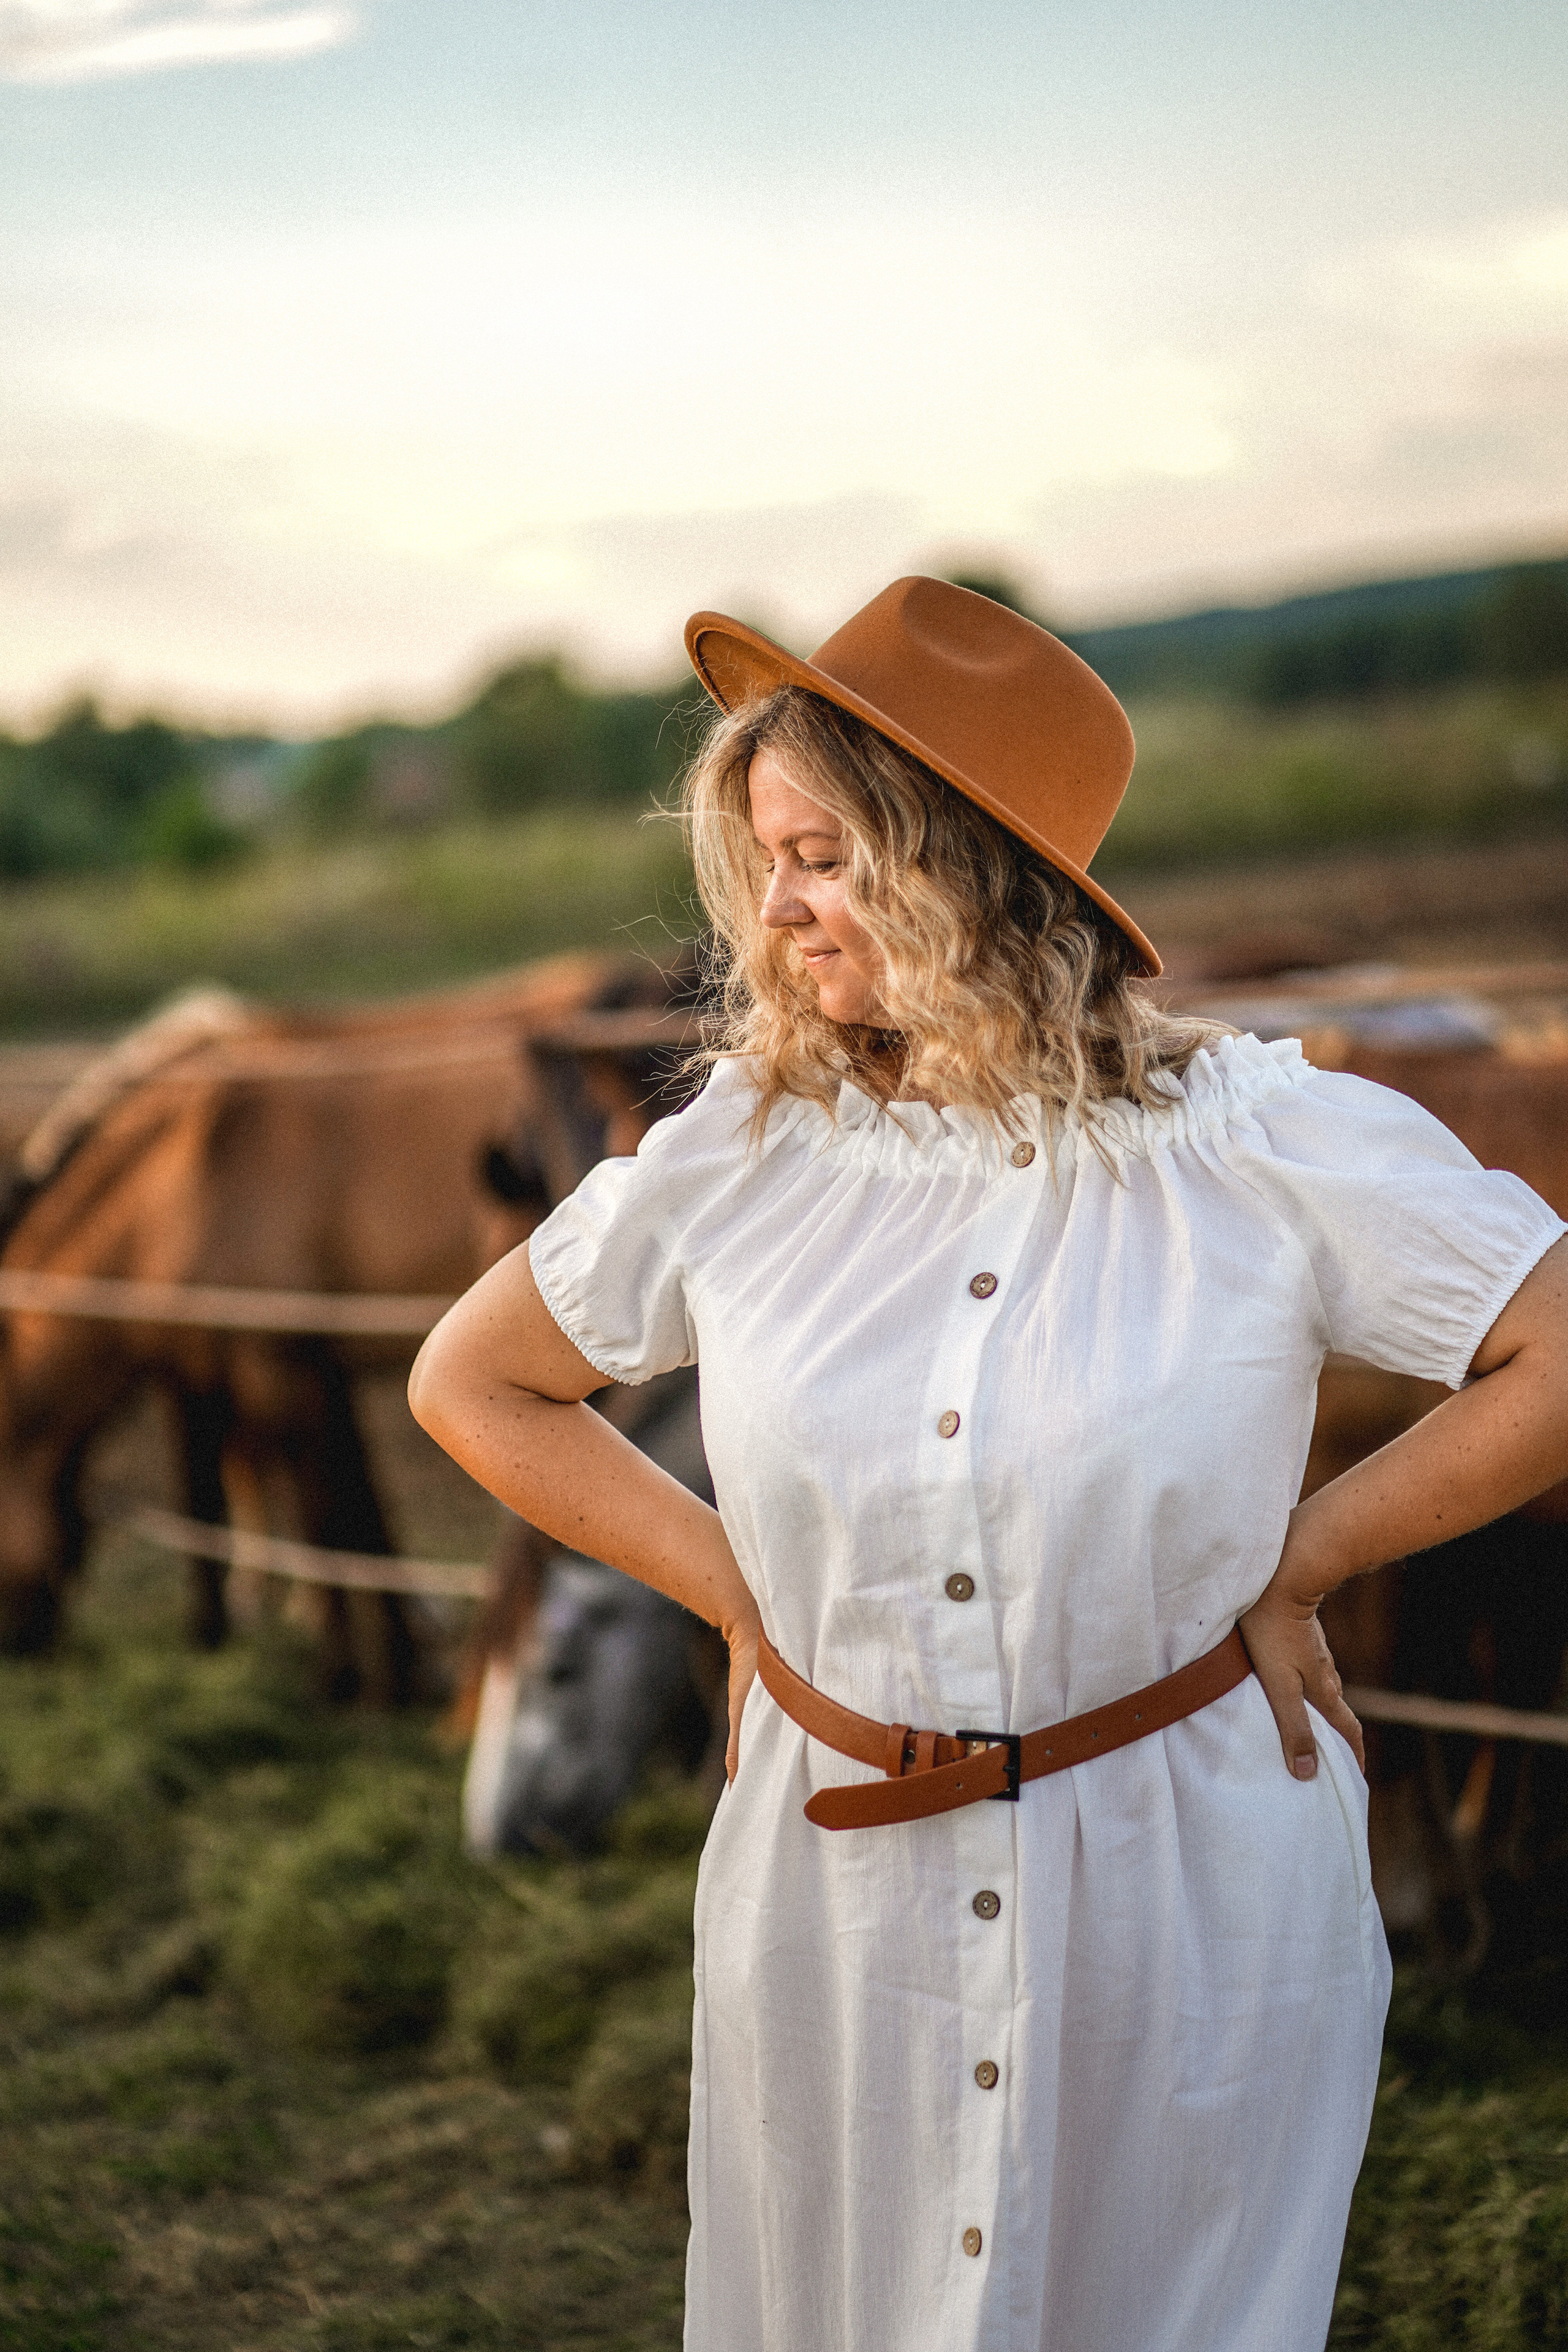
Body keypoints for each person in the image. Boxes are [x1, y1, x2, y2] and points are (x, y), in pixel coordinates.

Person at [409, 577, 1568, 2352]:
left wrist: (1310, 1557)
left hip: (1189, 1896)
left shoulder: (1266, 1150)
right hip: (834, 1903)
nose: (773, 907)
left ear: (963, 862)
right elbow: (474, 1381)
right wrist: (735, 1590)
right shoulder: (742, 1162)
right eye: (765, 860)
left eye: (820, 855)